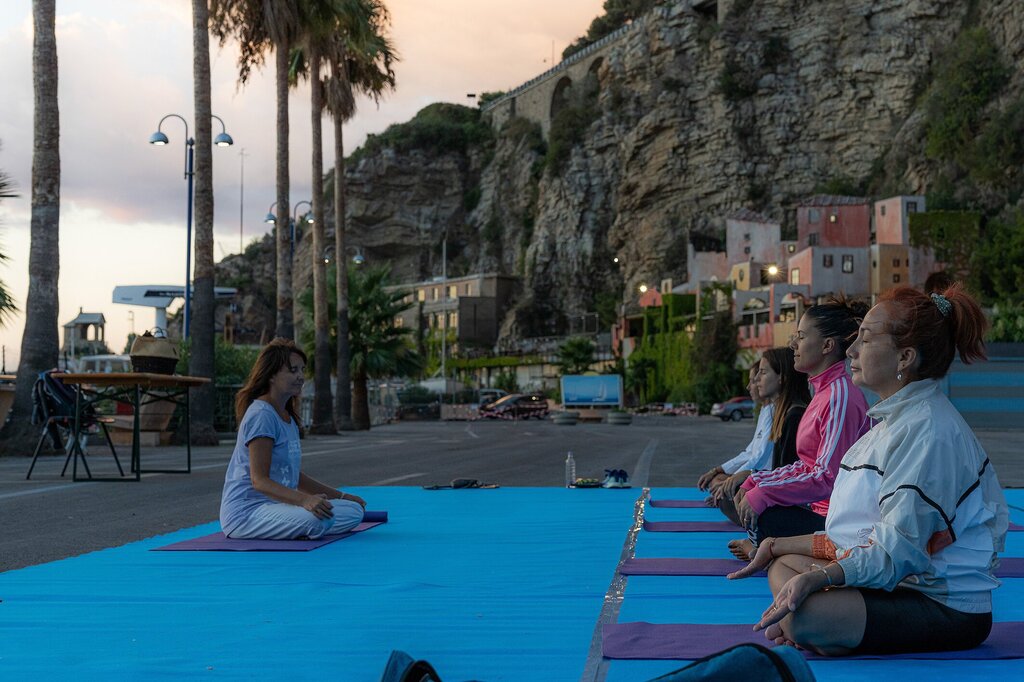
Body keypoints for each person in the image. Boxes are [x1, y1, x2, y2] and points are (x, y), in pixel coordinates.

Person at [729, 284, 1008, 656]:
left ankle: (820, 629)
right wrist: (775, 545)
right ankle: (826, 628)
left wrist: (822, 577)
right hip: (898, 581)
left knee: (803, 611)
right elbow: (859, 535)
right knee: (782, 566)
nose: (851, 350)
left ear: (905, 357)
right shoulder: (894, 422)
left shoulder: (928, 434)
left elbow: (899, 550)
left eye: (865, 338)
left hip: (942, 604)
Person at [734, 296, 870, 551]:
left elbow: (827, 478)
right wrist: (758, 481)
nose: (794, 344)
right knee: (748, 494)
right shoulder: (823, 393)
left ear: (827, 345)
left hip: (836, 521)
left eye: (802, 336)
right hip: (817, 509)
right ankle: (766, 547)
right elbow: (807, 466)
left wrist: (764, 492)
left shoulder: (839, 396)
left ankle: (765, 548)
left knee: (766, 513)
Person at [220, 338, 367, 539]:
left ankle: (298, 524)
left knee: (353, 511)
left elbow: (293, 476)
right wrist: (305, 501)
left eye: (302, 370)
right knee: (320, 519)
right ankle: (303, 524)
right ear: (271, 375)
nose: (300, 377)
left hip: (278, 506)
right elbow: (259, 481)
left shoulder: (286, 416)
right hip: (247, 514)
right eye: (293, 370)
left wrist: (342, 496)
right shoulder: (262, 415)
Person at [725, 347, 811, 555]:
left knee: (760, 511)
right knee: (736, 493)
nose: (756, 381)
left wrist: (753, 479)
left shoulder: (795, 415)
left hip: (805, 503)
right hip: (788, 493)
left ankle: (761, 548)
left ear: (781, 377)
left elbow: (795, 475)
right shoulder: (785, 414)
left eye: (762, 373)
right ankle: (763, 544)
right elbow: (780, 469)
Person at [696, 366, 773, 514]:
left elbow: (760, 458)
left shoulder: (774, 412)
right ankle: (726, 495)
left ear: (780, 379)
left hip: (762, 480)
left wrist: (730, 482)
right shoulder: (765, 410)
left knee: (722, 487)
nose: (750, 386)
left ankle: (727, 498)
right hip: (754, 477)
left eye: (755, 379)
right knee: (716, 480)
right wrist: (717, 471)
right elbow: (749, 452)